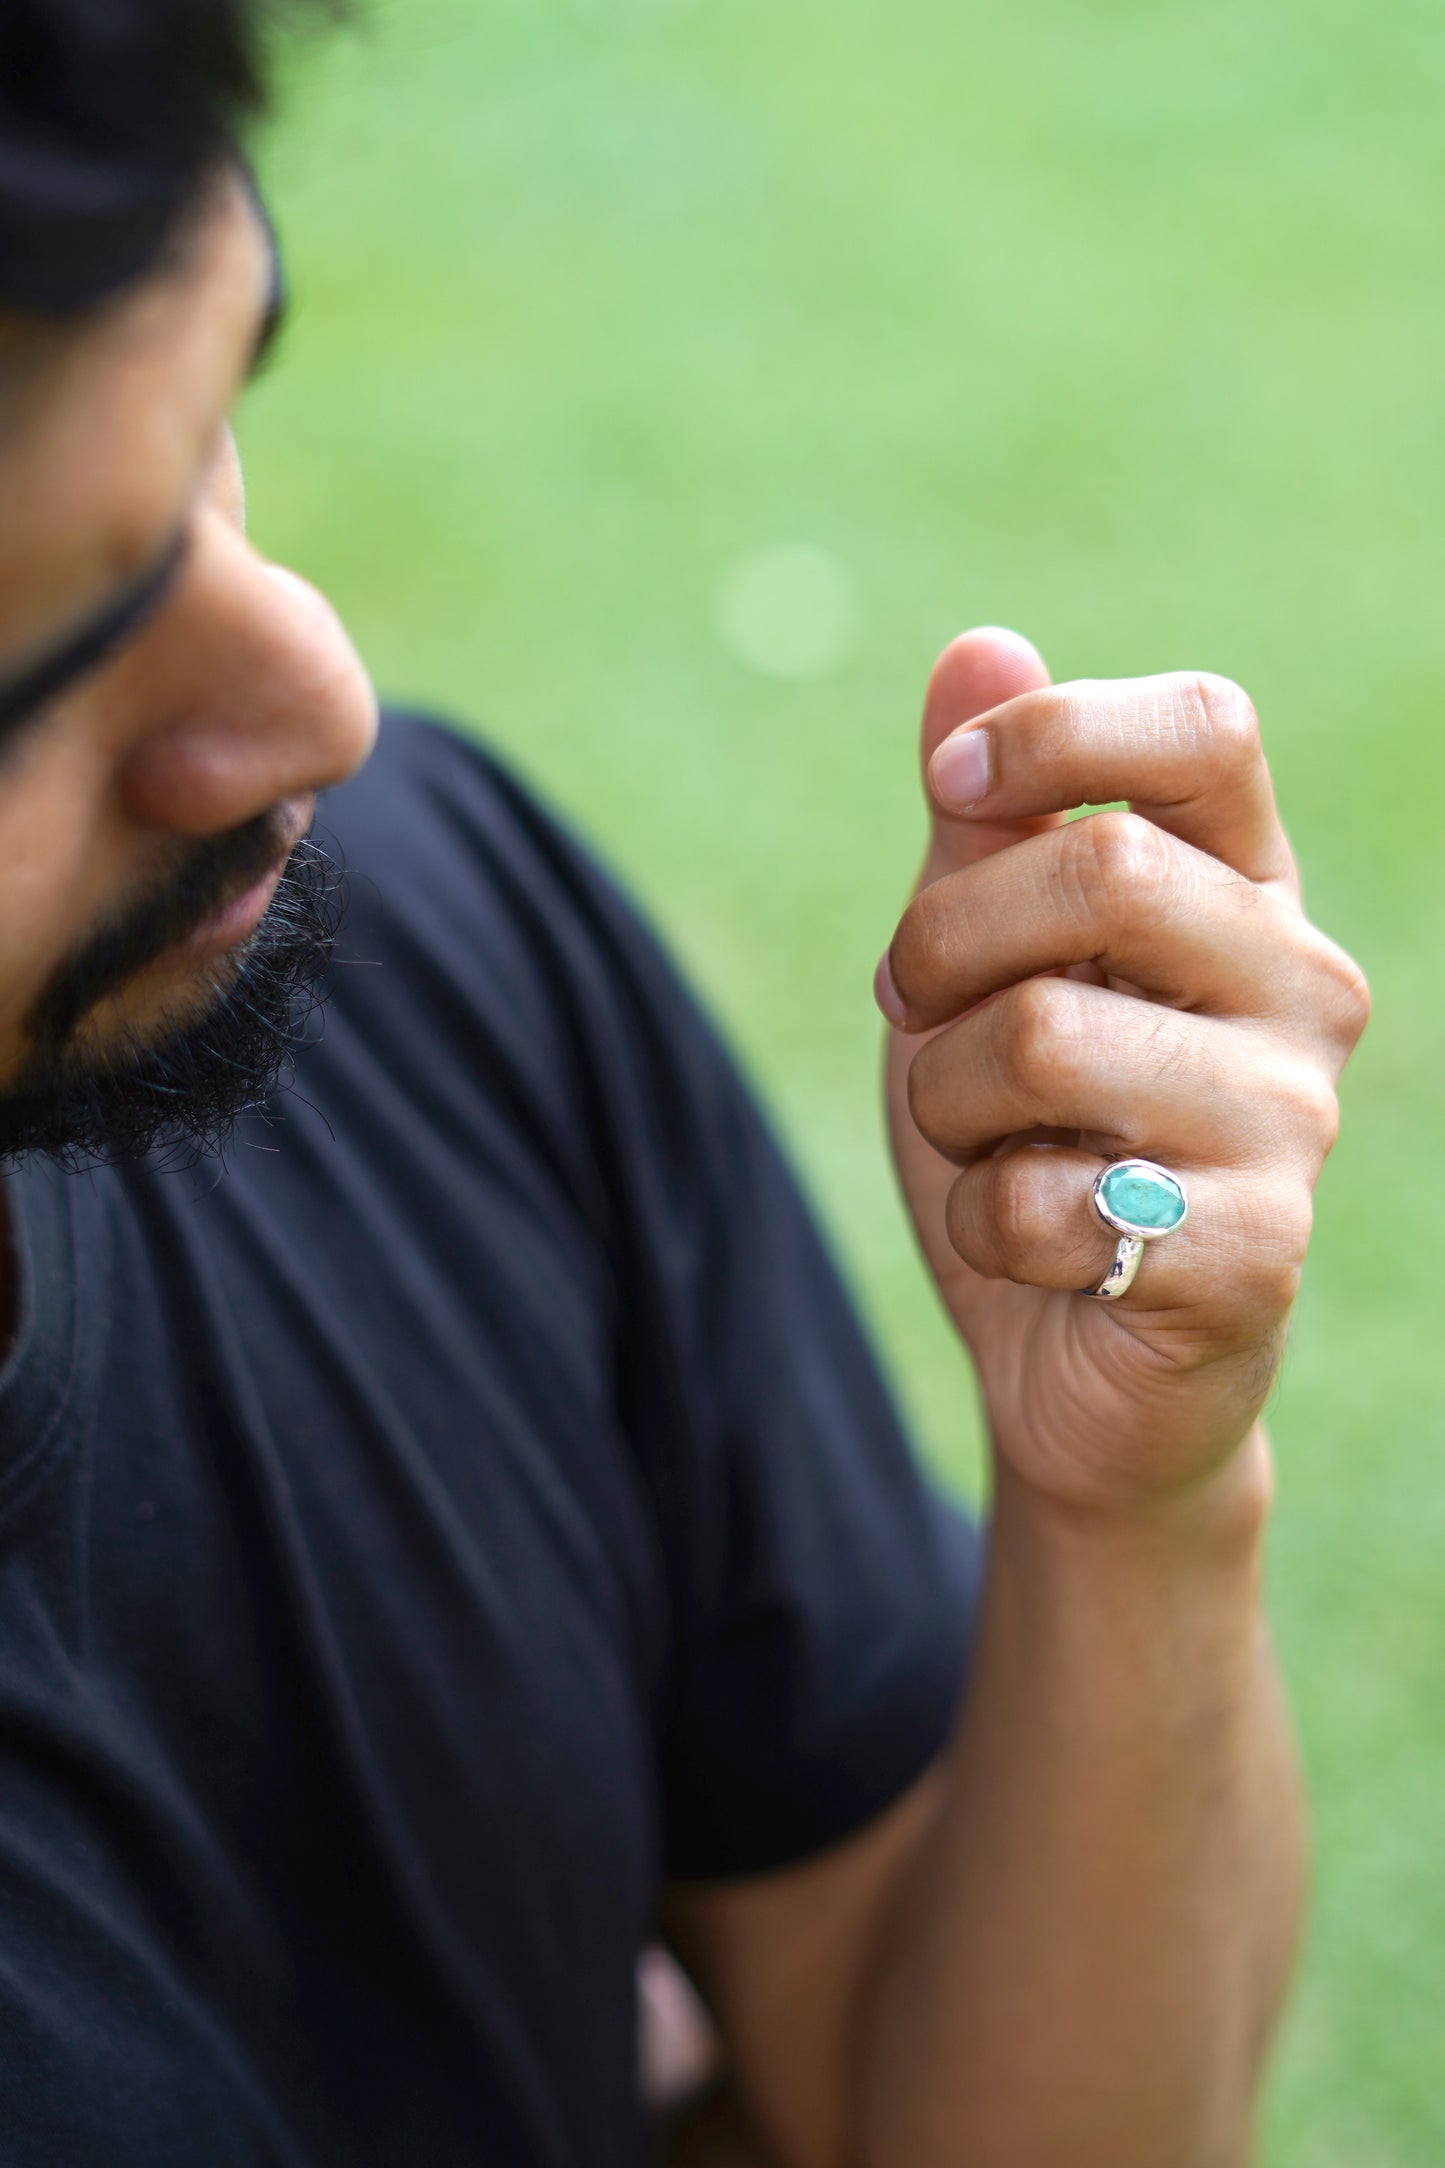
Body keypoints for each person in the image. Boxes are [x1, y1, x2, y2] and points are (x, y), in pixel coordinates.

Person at [0, 5, 1369, 2164]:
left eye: (207, 433)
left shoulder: (422, 949)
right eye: (54, 685)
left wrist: (1138, 1509)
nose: (316, 705)